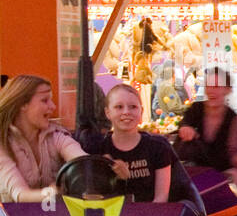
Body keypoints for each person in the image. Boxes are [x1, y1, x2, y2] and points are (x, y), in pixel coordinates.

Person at [0, 74, 87, 202]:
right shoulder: (3, 143)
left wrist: (94, 167)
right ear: (23, 104)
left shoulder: (55, 135)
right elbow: (20, 195)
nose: (53, 106)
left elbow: (80, 159)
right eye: (45, 100)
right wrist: (53, 192)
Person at [81, 84, 172, 204]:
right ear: (107, 112)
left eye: (133, 107)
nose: (126, 112)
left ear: (141, 111)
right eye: (119, 107)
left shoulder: (158, 147)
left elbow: (161, 199)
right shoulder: (98, 148)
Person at [176, 67, 237, 171]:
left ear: (228, 90)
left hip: (220, 176)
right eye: (208, 85)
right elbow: (184, 123)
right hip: (192, 175)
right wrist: (184, 128)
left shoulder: (233, 119)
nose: (211, 90)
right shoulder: (195, 109)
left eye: (217, 86)